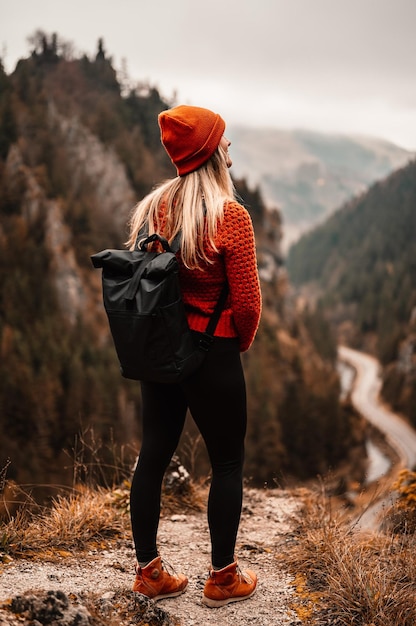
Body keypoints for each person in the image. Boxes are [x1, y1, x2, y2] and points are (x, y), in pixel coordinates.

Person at [127, 104, 262, 608]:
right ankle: (222, 578)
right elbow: (247, 303)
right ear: (210, 152)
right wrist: (234, 345)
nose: (229, 148)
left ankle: (148, 572)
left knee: (153, 456)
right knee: (227, 461)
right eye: (224, 140)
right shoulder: (230, 216)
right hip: (214, 351)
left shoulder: (153, 209)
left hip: (161, 350)